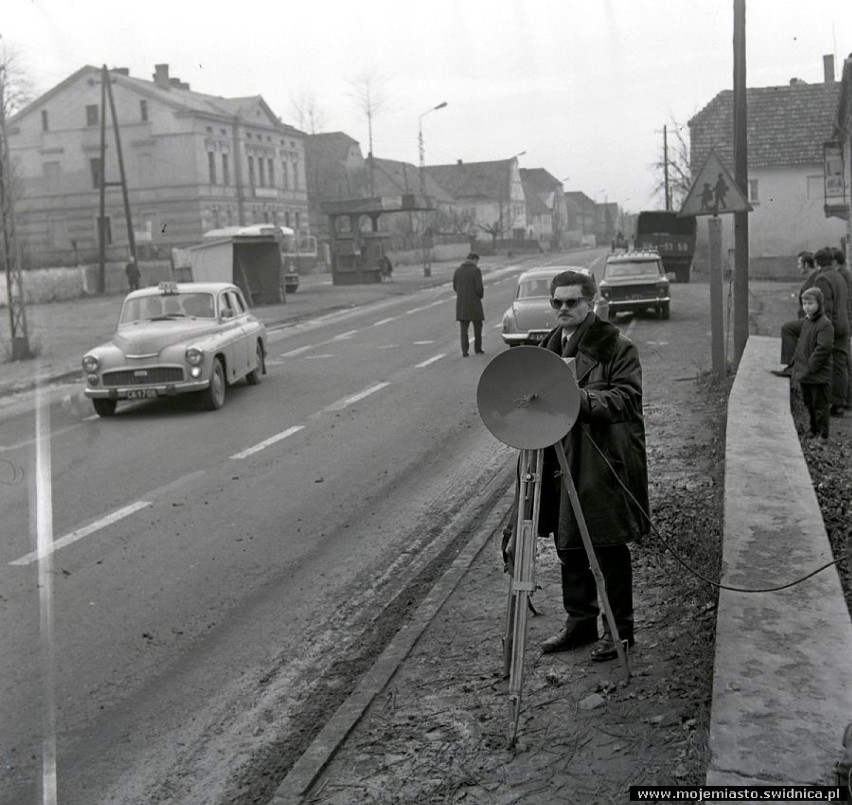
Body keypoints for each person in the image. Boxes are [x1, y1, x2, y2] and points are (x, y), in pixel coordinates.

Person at [535, 269, 649, 662]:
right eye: (557, 302)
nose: (564, 309)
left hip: (601, 461)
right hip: (558, 457)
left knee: (606, 547)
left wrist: (579, 401)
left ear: (592, 301)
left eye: (573, 302)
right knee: (567, 544)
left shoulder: (617, 347)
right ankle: (579, 623)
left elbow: (628, 400)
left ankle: (620, 631)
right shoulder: (545, 351)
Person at [791, 287, 834, 443]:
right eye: (804, 303)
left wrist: (810, 366)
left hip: (819, 375)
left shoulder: (825, 324)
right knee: (809, 403)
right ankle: (813, 429)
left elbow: (824, 348)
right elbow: (802, 345)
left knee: (820, 406)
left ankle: (823, 435)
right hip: (807, 374)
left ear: (819, 303)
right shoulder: (807, 321)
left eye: (810, 303)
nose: (807, 307)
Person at [812, 247, 849, 416]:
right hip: (844, 325)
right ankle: (839, 404)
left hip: (831, 326)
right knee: (840, 364)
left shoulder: (822, 278)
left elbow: (824, 308)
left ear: (818, 263)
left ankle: (822, 401)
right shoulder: (839, 276)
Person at [772, 251, 818, 377]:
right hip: (810, 319)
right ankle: (792, 365)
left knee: (788, 329)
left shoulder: (814, 281)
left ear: (806, 265)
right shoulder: (812, 279)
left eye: (799, 264)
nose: (798, 267)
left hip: (813, 321)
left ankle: (793, 367)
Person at [452, 252, 484, 357]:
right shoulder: (476, 271)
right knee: (477, 326)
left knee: (463, 328)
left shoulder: (458, 271)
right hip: (474, 303)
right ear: (474, 259)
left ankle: (464, 351)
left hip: (462, 304)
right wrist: (479, 295)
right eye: (477, 261)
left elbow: (455, 287)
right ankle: (478, 349)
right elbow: (479, 288)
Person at [833, 247, 852, 410]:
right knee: (845, 359)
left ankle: (847, 399)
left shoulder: (843, 275)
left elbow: (845, 301)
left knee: (844, 360)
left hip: (845, 320)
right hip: (847, 319)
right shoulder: (845, 274)